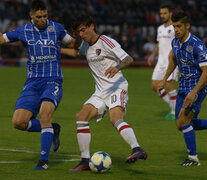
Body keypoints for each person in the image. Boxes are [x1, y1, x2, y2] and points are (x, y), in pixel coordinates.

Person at [61, 14, 148, 172]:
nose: (81, 34)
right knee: (81, 117)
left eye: (83, 30)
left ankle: (137, 149)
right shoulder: (86, 45)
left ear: (91, 26)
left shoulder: (106, 41)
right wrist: (58, 50)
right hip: (100, 91)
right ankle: (85, 161)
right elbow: (79, 54)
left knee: (115, 119)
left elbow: (128, 59)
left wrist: (117, 67)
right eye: (78, 32)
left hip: (117, 87)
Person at [0, 0, 75, 170]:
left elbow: (72, 43)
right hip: (32, 83)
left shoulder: (56, 28)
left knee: (44, 115)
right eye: (39, 17)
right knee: (18, 122)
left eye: (45, 16)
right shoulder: (23, 30)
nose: (42, 20)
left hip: (52, 80)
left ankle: (43, 162)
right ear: (31, 16)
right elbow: (2, 39)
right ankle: (53, 129)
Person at [158, 11, 207, 166]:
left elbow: (206, 71)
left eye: (179, 26)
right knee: (181, 124)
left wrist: (194, 93)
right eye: (174, 26)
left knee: (184, 120)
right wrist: (164, 79)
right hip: (183, 86)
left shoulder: (197, 45)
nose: (176, 29)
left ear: (187, 26)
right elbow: (174, 61)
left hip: (197, 87)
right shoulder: (175, 42)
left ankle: (193, 159)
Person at [147, 4, 178, 120]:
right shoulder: (160, 28)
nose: (162, 15)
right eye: (161, 13)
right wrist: (152, 55)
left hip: (172, 62)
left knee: (169, 85)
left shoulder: (175, 27)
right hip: (160, 62)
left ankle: (175, 113)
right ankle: (173, 105)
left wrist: (173, 51)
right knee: (155, 86)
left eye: (165, 13)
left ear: (170, 13)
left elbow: (180, 42)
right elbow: (159, 43)